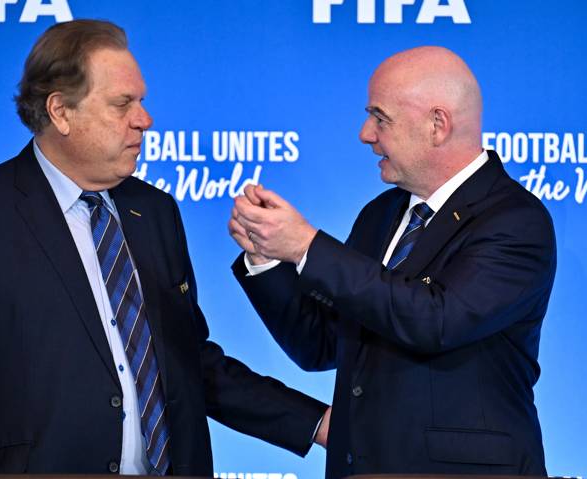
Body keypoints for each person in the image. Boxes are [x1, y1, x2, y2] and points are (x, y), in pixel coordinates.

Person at [0, 19, 329, 478]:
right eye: (124, 104)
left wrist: (318, 423)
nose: (144, 119)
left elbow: (187, 362)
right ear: (60, 111)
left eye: (141, 102)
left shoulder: (155, 211)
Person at [229, 46, 556, 478]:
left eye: (380, 117)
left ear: (437, 125)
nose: (366, 133)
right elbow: (322, 343)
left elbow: (436, 320)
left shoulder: (515, 220)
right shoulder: (380, 214)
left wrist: (306, 246)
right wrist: (267, 258)